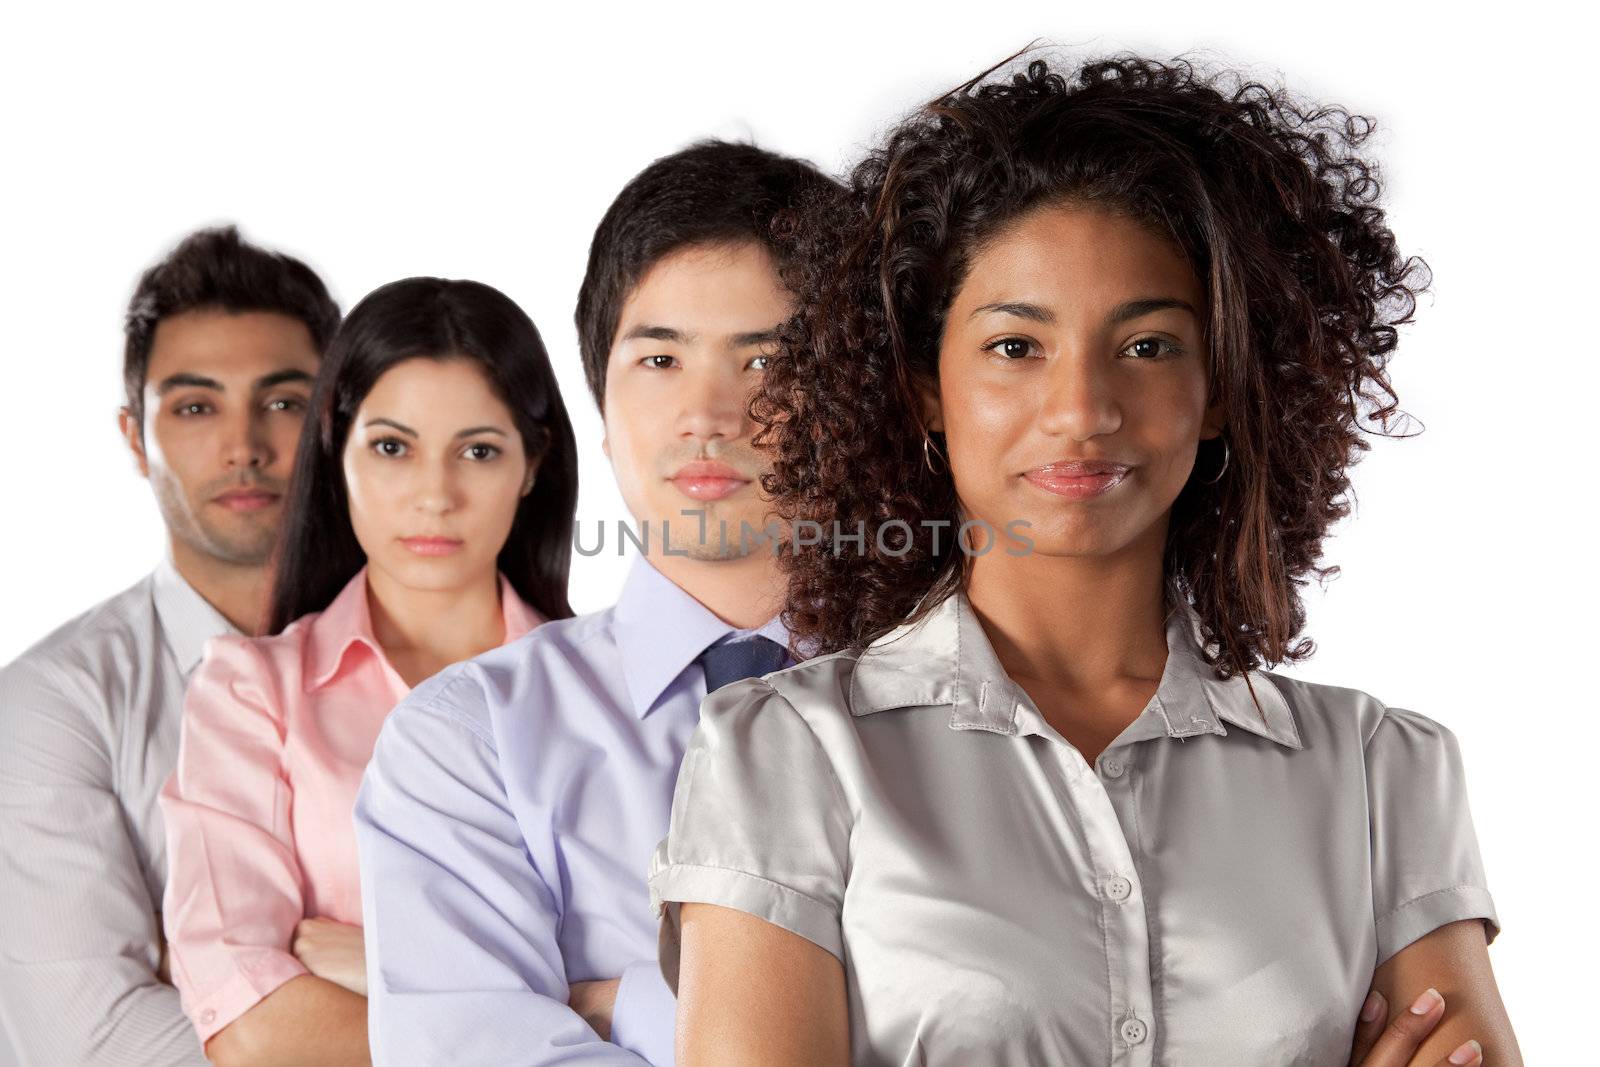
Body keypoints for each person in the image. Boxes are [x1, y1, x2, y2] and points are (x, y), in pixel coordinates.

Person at [650, 56, 1522, 1066]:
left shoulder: (1380, 771)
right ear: (925, 386)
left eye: (1147, 345)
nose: (1081, 410)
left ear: (1223, 388)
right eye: (1015, 347)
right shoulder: (784, 753)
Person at [352, 140, 836, 1066]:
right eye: (659, 359)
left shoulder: (958, 694)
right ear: (601, 412)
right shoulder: (467, 742)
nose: (710, 414)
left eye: (769, 363)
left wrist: (633, 1008)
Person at [158, 276, 578, 1066]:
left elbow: (685, 993)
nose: (434, 494)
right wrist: (556, 1002)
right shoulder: (253, 694)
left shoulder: (616, 694)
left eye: (479, 451)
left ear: (531, 464)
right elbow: (250, 1021)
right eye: (392, 447)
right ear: (336, 446)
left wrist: (381, 963)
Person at [0, 226, 337, 1067]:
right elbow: (94, 1040)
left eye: (284, 400)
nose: (243, 446)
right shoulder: (55, 704)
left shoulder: (452, 656)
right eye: (194, 406)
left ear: (338, 421)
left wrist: (212, 981)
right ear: (133, 437)